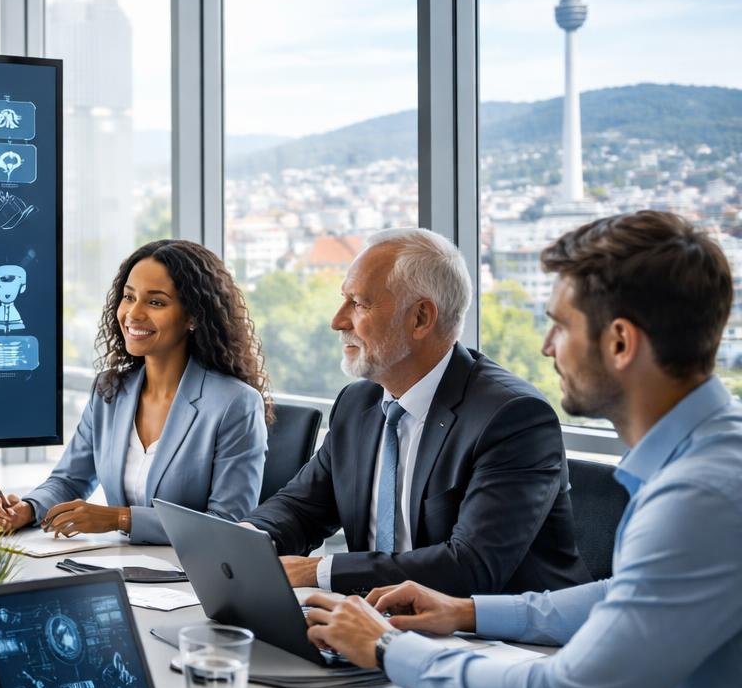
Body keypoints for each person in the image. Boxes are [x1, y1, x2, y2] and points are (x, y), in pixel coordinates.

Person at [306, 211, 742, 688]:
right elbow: (621, 595)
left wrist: (390, 649)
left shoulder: (699, 496)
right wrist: (467, 612)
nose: (545, 346)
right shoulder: (712, 459)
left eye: (560, 325)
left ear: (621, 342)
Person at [243, 227, 583, 597]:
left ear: (420, 318)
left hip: (491, 628)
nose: (337, 321)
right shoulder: (358, 404)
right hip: (376, 620)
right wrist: (249, 539)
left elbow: (470, 566)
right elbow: (301, 508)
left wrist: (318, 571)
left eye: (359, 303)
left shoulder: (512, 417)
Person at [0, 239, 272, 546]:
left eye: (156, 302)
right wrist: (26, 509)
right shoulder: (109, 391)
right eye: (129, 297)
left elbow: (227, 523)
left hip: (192, 571)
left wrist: (120, 519)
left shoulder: (235, 403)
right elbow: (69, 480)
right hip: (120, 564)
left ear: (193, 317)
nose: (133, 314)